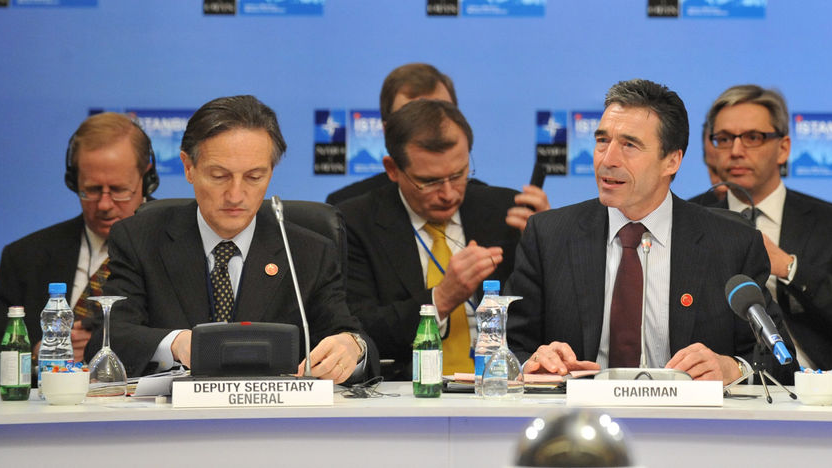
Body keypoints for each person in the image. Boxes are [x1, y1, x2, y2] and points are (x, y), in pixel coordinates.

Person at [508, 79, 786, 382]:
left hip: (691, 424)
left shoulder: (732, 244)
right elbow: (508, 346)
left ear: (671, 160)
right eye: (602, 141)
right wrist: (532, 363)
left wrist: (734, 368)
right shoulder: (549, 236)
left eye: (629, 145)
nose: (607, 160)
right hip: (580, 419)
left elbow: (779, 358)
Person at [94, 95, 375, 383]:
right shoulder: (140, 239)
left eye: (254, 177)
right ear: (188, 167)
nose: (236, 195)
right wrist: (176, 343)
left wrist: (352, 347)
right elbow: (108, 337)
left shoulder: (308, 251)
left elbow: (353, 337)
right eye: (219, 176)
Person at [687, 85, 832, 386]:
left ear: (784, 148)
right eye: (724, 139)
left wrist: (789, 268)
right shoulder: (690, 219)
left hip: (820, 394)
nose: (736, 151)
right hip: (720, 389)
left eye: (753, 138)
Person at [340, 98, 547, 379]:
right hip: (404, 393)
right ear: (392, 169)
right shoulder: (354, 222)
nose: (449, 193)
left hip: (501, 387)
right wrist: (441, 298)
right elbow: (356, 333)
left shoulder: (506, 211)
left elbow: (544, 317)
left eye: (459, 174)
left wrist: (550, 243)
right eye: (430, 181)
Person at [0, 113, 157, 382]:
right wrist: (38, 352)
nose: (105, 205)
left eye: (119, 189)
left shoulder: (183, 248)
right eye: (91, 190)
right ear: (73, 182)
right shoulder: (24, 257)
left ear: (147, 179)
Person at [326, 63, 459, 205]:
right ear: (387, 131)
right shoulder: (345, 210)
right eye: (412, 118)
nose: (429, 131)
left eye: (439, 116)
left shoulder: (483, 204)